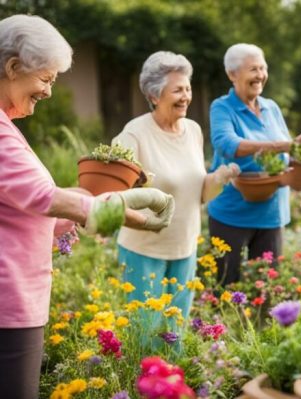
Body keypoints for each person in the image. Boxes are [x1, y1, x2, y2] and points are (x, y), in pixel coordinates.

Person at [0, 15, 174, 398]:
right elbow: (45, 198)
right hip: (8, 302)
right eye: (45, 79)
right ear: (13, 68)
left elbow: (24, 199)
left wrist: (92, 201)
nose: (48, 91)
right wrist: (132, 209)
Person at [113, 51, 239, 340]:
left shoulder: (193, 130)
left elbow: (198, 194)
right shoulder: (134, 134)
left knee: (175, 334)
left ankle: (175, 383)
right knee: (144, 335)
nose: (186, 96)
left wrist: (218, 178)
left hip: (184, 248)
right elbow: (115, 192)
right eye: (177, 90)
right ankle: (144, 385)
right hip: (143, 251)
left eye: (188, 88)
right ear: (154, 96)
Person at [207, 43, 301, 287]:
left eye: (263, 68)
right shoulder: (222, 107)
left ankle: (264, 325)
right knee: (225, 287)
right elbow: (227, 144)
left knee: (266, 288)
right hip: (232, 213)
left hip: (271, 215)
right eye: (253, 69)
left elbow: (286, 153)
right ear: (232, 74)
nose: (260, 75)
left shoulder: (271, 107)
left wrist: (300, 147)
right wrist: (282, 145)